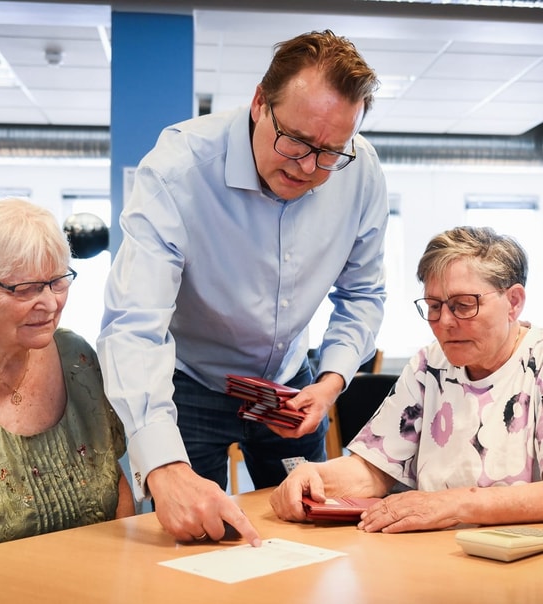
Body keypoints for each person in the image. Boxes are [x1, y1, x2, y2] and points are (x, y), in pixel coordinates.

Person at [97, 30, 388, 545]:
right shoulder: (177, 170)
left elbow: (362, 294)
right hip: (191, 385)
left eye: (330, 153)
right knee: (193, 541)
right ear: (259, 103)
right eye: (295, 141)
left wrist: (332, 381)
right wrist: (162, 466)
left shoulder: (361, 172)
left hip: (295, 388)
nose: (307, 167)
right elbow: (133, 326)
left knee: (314, 535)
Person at [270, 225, 543, 533]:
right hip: (434, 555)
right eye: (434, 306)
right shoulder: (430, 365)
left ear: (514, 302)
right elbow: (375, 468)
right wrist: (316, 478)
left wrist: (453, 503)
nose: (445, 322)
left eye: (463, 305)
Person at [0, 198, 134, 543]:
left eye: (57, 282)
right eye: (25, 288)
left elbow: (114, 485)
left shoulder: (77, 358)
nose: (49, 303)